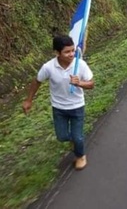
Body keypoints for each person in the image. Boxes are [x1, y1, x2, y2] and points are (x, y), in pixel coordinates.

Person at [22, 35, 94, 170]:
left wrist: (80, 83)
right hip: (59, 108)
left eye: (73, 50)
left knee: (77, 137)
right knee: (62, 137)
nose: (71, 54)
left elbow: (91, 84)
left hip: (77, 107)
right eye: (67, 52)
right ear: (57, 53)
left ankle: (80, 156)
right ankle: (74, 141)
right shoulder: (48, 67)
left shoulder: (81, 65)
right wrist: (28, 100)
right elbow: (37, 81)